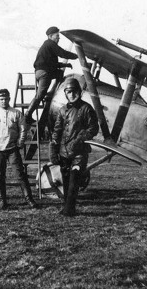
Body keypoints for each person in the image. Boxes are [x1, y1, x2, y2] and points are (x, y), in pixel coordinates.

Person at [0, 89, 39, 210]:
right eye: (1, 99)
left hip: (12, 149)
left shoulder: (16, 113)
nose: (4, 101)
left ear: (9, 99)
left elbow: (23, 129)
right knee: (0, 175)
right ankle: (2, 201)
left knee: (20, 175)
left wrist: (20, 142)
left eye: (6, 99)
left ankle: (30, 200)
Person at [50, 78, 99, 216]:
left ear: (79, 92)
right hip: (64, 153)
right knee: (65, 180)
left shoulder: (86, 109)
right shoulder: (62, 110)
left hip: (79, 153)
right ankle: (67, 206)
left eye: (74, 91)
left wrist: (79, 139)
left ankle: (69, 209)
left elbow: (93, 128)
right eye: (69, 92)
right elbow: (57, 130)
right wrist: (53, 149)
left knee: (74, 180)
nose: (72, 94)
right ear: (65, 93)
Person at [25, 26, 79, 124]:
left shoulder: (47, 46)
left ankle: (51, 92)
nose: (59, 38)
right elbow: (63, 53)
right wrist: (77, 55)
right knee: (40, 95)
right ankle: (27, 115)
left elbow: (52, 63)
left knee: (59, 73)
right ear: (50, 36)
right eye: (57, 36)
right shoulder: (50, 44)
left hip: (42, 71)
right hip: (44, 73)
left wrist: (65, 64)